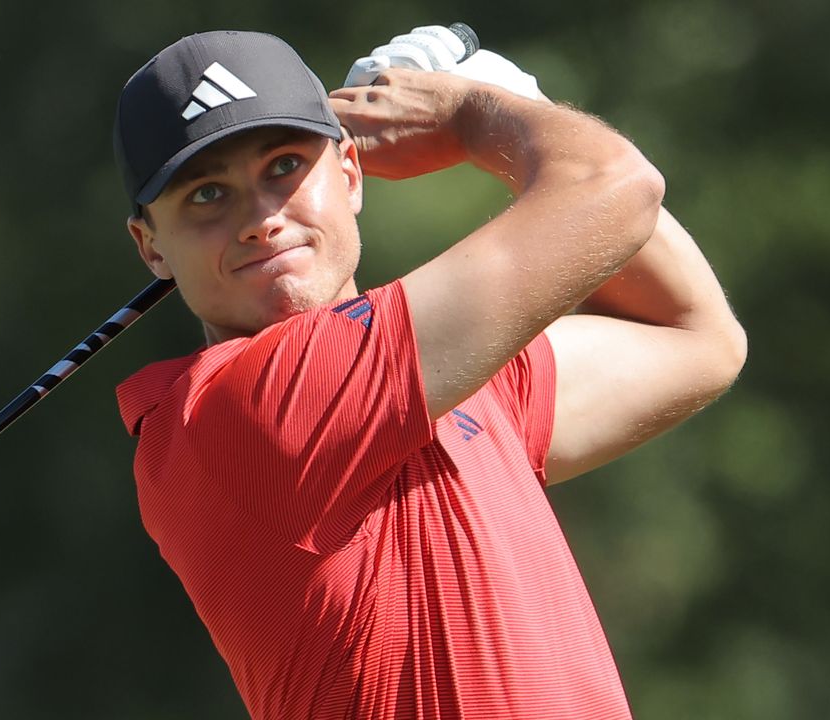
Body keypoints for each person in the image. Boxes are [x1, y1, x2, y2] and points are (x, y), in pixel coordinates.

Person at [112, 28, 745, 719]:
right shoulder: (237, 409)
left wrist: (512, 106)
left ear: (349, 174)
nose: (261, 219)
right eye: (206, 196)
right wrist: (476, 115)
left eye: (285, 167)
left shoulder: (453, 380)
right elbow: (615, 187)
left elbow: (698, 337)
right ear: (151, 247)